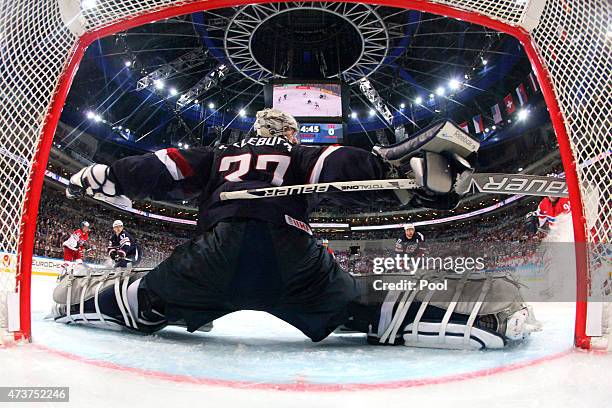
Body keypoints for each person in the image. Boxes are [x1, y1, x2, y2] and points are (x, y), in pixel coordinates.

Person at [52, 112, 538, 349]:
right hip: (290, 256)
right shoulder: (302, 153)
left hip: (212, 254)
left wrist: (110, 174)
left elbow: (164, 166)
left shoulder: (219, 156)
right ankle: (486, 320)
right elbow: (341, 167)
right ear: (290, 134)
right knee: (364, 309)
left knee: (149, 298)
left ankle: (80, 302)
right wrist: (402, 177)